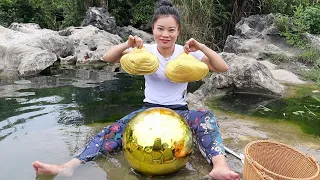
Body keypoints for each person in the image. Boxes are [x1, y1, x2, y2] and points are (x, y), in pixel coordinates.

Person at [32, 0, 240, 179]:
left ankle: (220, 166)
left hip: (179, 111)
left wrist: (201, 47)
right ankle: (69, 167)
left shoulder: (186, 52)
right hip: (148, 112)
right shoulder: (145, 51)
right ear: (153, 29)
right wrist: (127, 44)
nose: (165, 34)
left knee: (205, 117)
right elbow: (108, 58)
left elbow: (222, 67)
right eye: (160, 29)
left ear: (179, 32)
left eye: (171, 30)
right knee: (112, 131)